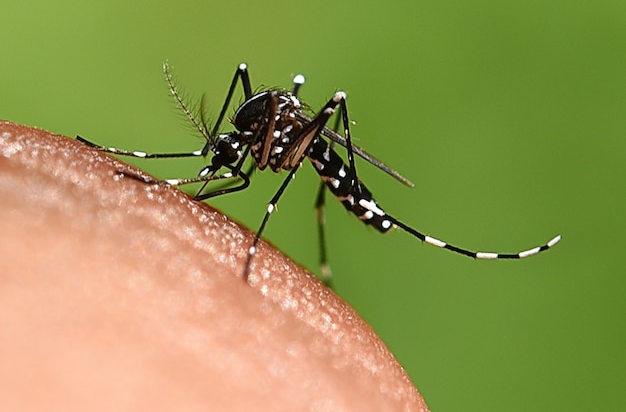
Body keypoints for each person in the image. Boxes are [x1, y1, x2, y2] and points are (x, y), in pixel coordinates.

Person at [0, 120, 429, 411]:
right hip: (289, 140)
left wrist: (255, 239)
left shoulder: (268, 135)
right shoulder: (251, 135)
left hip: (318, 155)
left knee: (329, 110)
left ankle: (375, 216)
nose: (222, 160)